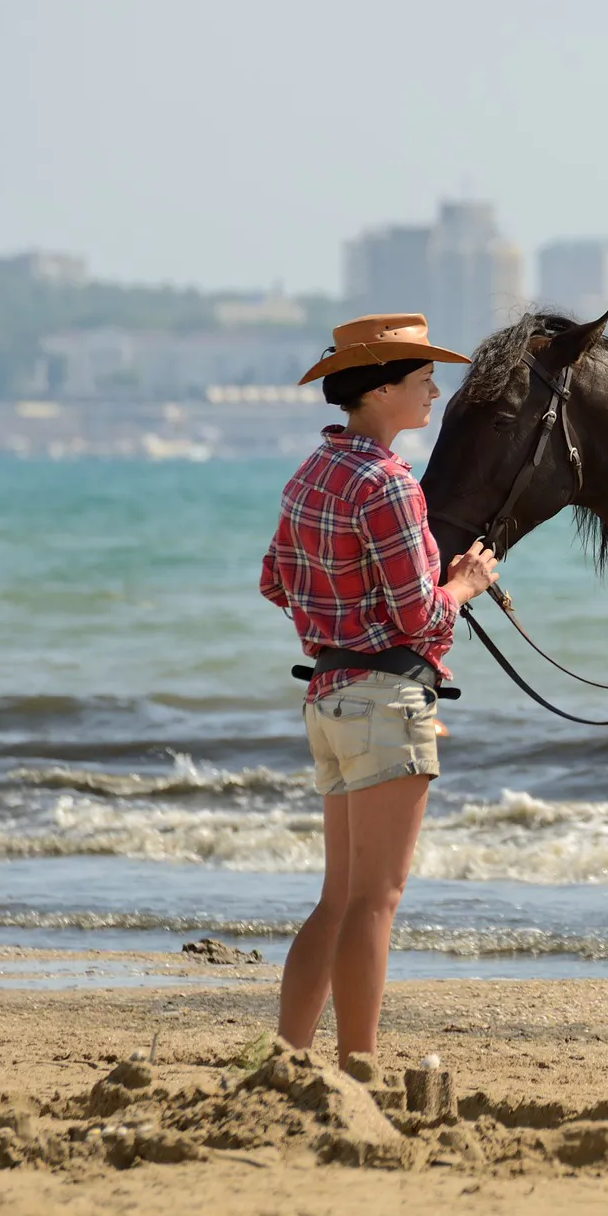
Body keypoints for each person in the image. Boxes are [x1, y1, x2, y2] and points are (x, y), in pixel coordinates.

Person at [259, 313, 498, 1070]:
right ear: (383, 387)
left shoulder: (311, 472)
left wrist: (337, 634)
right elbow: (419, 613)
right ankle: (357, 1067)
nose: (435, 385)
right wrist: (464, 584)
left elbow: (274, 579)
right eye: (422, 374)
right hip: (378, 699)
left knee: (339, 899)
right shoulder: (389, 483)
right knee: (375, 901)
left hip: (330, 698)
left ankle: (287, 1060)